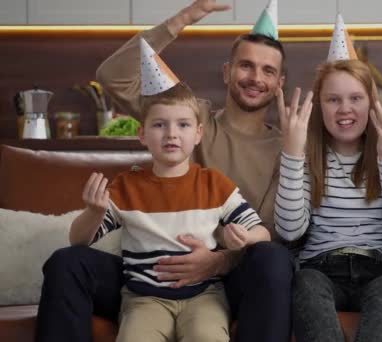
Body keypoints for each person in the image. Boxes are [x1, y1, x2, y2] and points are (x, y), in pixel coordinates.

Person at [35, 1, 292, 341]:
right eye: (246, 66)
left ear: (279, 83)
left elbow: (272, 233)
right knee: (66, 263)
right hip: (147, 279)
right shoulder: (186, 119)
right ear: (227, 71)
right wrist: (185, 18)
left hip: (228, 282)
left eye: (267, 71)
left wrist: (220, 261)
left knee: (273, 259)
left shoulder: (286, 148)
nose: (255, 78)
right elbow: (113, 77)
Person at [274, 51, 382, 341]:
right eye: (333, 99)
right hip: (321, 268)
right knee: (305, 283)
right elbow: (289, 231)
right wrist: (291, 154)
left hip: (381, 269)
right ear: (319, 106)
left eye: (355, 98)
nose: (344, 109)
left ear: (371, 104)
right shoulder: (303, 154)